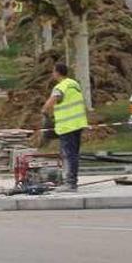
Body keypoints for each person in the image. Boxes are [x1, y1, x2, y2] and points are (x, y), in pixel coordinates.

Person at [41, 62, 88, 192]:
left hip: (67, 126)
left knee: (68, 155)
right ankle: (72, 181)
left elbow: (54, 99)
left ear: (57, 73)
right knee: (74, 154)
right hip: (78, 124)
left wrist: (44, 110)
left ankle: (70, 184)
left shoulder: (60, 86)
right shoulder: (74, 84)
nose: (52, 74)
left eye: (53, 71)